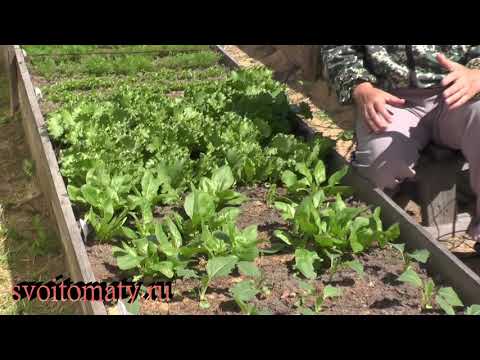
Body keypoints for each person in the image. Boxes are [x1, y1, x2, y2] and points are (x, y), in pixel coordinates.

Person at [321, 45, 480, 252]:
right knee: (379, 165)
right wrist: (361, 88)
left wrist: (476, 73)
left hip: (460, 91)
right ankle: (377, 241)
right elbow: (338, 49)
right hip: (391, 99)